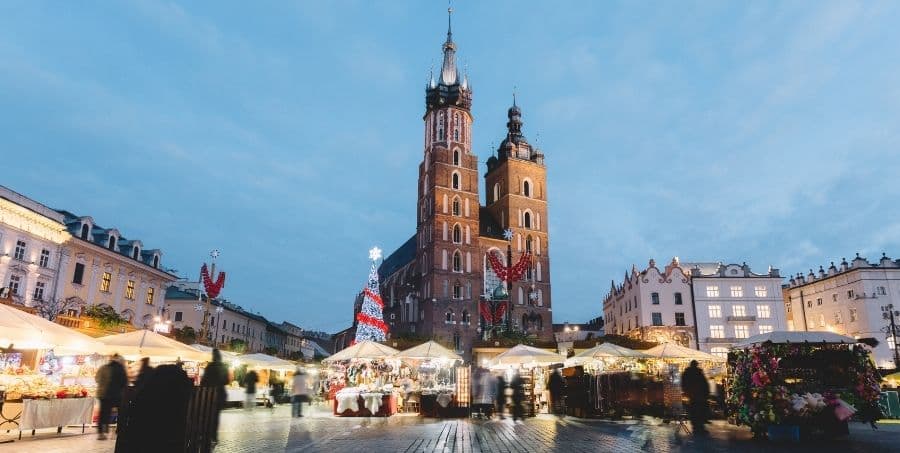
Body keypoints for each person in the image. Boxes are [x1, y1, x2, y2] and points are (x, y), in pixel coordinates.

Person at [95, 354, 127, 440]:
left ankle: (101, 433)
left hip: (103, 394)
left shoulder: (103, 367)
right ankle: (118, 431)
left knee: (103, 413)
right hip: (116, 395)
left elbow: (97, 379)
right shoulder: (121, 369)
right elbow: (124, 383)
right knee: (120, 413)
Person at [200, 349, 229, 442]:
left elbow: (204, 381)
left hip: (210, 394)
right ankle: (214, 435)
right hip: (220, 394)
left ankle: (206, 434)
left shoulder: (210, 366)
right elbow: (226, 381)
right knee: (216, 416)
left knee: (207, 415)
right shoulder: (224, 366)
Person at [681, 360, 710, 436]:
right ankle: (700, 427)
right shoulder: (698, 372)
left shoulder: (687, 373)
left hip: (692, 395)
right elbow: (704, 383)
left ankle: (696, 426)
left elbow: (683, 384)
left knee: (694, 410)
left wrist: (686, 392)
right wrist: (706, 393)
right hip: (699, 395)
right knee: (699, 410)